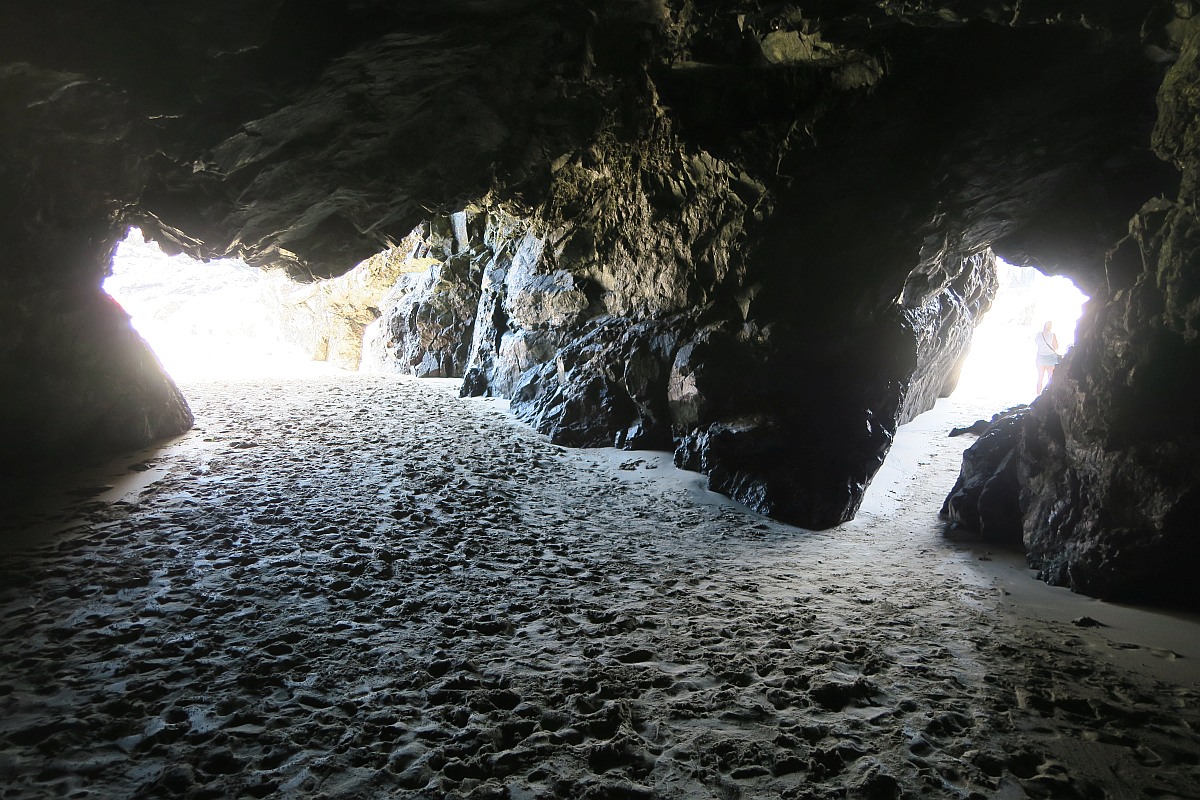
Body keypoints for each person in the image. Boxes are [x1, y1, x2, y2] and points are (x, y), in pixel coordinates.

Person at [1035, 320, 1060, 394]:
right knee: (1050, 378)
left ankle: (1038, 395)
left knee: (1040, 378)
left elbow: (1037, 343)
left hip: (1040, 359)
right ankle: (1049, 394)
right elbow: (1056, 347)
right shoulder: (1052, 335)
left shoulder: (1038, 334)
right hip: (1051, 359)